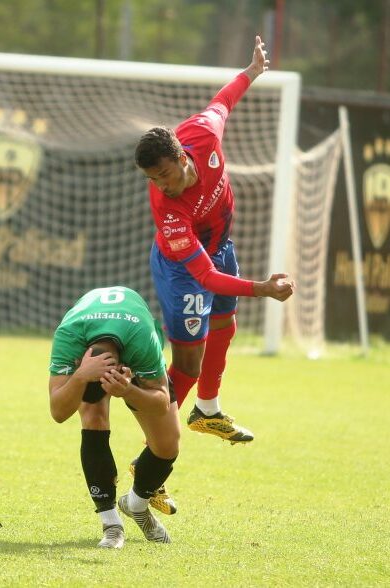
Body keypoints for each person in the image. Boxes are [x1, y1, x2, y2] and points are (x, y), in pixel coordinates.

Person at [134, 36, 294, 444]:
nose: (162, 187)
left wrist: (253, 71)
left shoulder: (204, 134)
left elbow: (223, 102)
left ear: (183, 157)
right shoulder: (169, 212)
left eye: (165, 176)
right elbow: (204, 276)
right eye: (153, 180)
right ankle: (153, 455)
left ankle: (207, 410)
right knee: (187, 362)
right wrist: (262, 288)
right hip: (184, 269)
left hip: (220, 246)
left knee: (225, 322)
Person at [49, 286, 179, 549]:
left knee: (167, 445)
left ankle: (136, 505)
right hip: (85, 354)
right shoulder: (69, 337)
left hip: (132, 332)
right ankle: (111, 525)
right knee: (93, 417)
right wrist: (81, 376)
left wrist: (128, 390)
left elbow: (161, 402)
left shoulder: (142, 340)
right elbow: (58, 412)